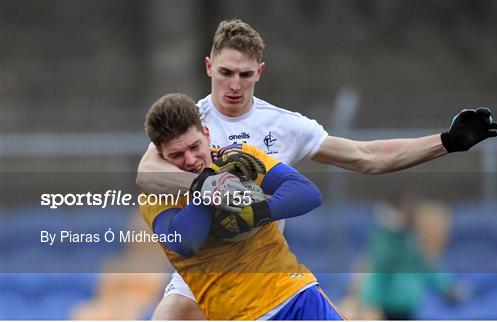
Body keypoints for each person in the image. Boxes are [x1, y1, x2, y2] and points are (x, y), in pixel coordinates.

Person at [136, 19, 497, 320]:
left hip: (262, 262)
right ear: (208, 67)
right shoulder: (188, 123)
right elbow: (146, 175)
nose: (234, 85)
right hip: (203, 265)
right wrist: (212, 186)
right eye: (226, 72)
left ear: (259, 72)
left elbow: (367, 157)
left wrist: (446, 142)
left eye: (245, 75)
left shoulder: (283, 125)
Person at [140, 92, 345, 320]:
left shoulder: (237, 158)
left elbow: (307, 192)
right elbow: (187, 241)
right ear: (160, 155)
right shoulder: (154, 198)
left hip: (297, 297)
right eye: (177, 155)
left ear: (206, 135)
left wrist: (257, 212)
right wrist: (208, 186)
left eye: (194, 146)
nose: (190, 159)